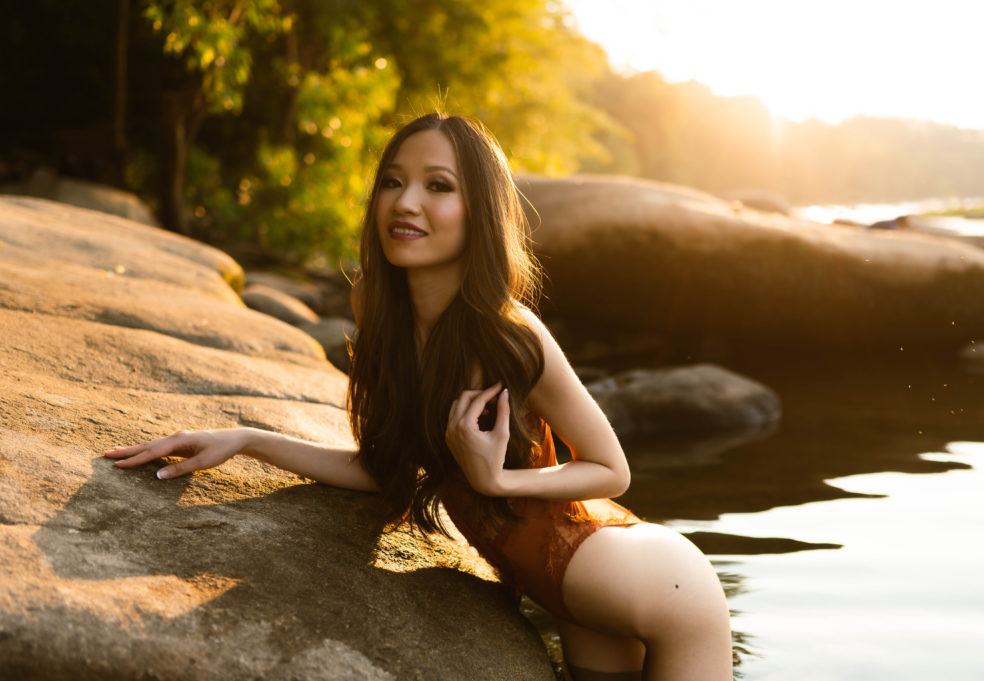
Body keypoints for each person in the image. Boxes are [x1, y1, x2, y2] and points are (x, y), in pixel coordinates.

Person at [105, 113, 733, 680]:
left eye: (438, 185)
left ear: (480, 209)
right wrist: (244, 440)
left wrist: (498, 483)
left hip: (655, 587)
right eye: (392, 182)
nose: (406, 202)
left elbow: (612, 469)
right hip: (568, 598)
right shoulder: (378, 313)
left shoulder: (509, 333)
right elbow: (385, 471)